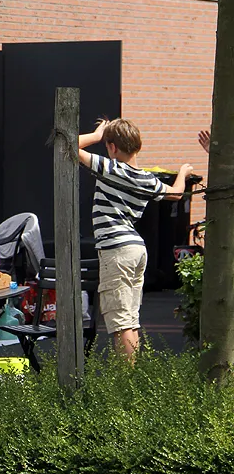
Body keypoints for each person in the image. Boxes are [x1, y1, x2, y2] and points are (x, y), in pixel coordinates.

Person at [78, 119, 192, 361]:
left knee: (120, 322)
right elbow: (177, 193)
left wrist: (97, 134)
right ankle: (132, 376)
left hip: (116, 250)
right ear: (138, 146)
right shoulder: (146, 179)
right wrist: (183, 172)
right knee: (130, 318)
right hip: (136, 249)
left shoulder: (111, 169)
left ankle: (125, 382)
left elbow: (68, 145)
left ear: (112, 147)